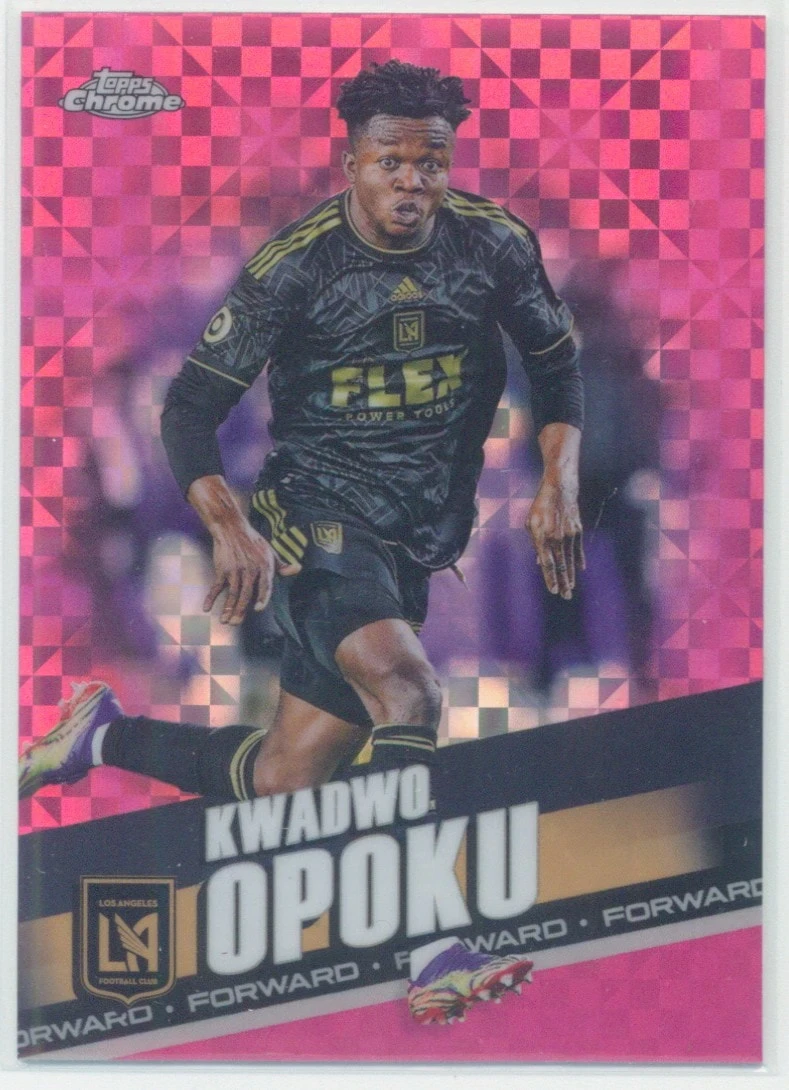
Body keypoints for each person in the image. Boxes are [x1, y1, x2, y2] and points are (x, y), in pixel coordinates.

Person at [19, 60, 583, 1023]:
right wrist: (229, 524)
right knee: (409, 691)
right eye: (391, 161)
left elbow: (556, 364)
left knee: (285, 777)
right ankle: (431, 945)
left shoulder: (492, 244)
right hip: (312, 518)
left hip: (416, 537)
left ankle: (102, 734)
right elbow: (188, 411)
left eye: (431, 162)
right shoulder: (296, 265)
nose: (412, 182)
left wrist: (558, 480)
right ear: (351, 162)